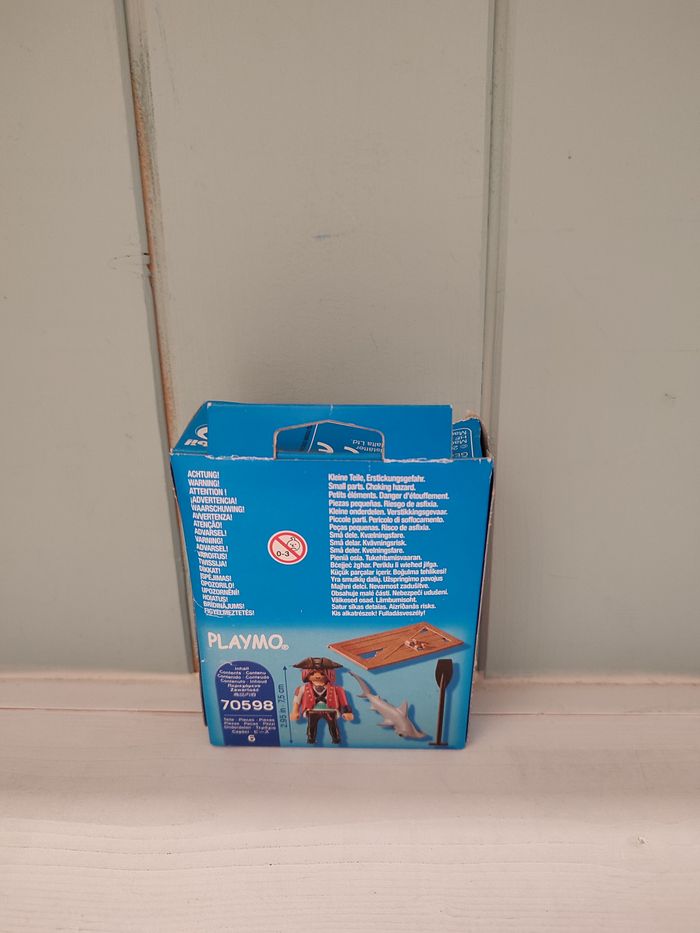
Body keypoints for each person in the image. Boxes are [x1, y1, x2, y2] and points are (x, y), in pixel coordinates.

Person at [290, 657, 353, 745]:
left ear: (329, 674)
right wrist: (295, 711)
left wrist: (347, 712)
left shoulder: (336, 689)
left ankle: (336, 739)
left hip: (330, 710)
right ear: (306, 674)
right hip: (312, 711)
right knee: (311, 726)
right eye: (312, 673)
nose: (317, 676)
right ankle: (311, 739)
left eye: (322, 673)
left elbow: (343, 701)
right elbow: (297, 701)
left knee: (333, 725)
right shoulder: (302, 688)